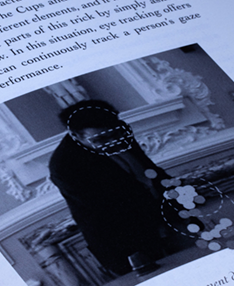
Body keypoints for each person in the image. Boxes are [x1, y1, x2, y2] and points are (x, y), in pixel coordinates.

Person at [48, 100, 169, 275]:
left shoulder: (118, 133)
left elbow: (149, 170)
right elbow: (108, 210)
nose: (112, 142)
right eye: (101, 139)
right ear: (76, 135)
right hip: (125, 243)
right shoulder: (64, 165)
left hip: (162, 219)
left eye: (114, 134)